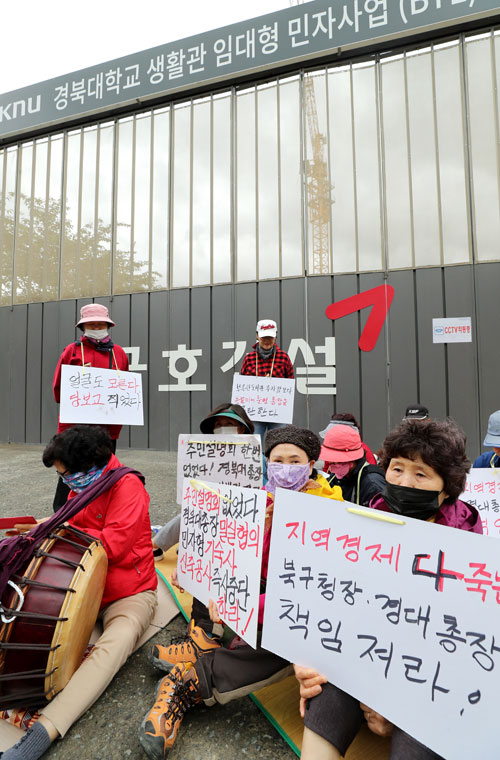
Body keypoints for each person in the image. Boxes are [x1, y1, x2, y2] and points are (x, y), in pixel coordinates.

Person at [139, 425, 343, 760]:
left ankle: (188, 683)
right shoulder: (257, 497)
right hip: (253, 590)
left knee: (290, 642)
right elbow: (225, 547)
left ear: (311, 466)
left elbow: (305, 590)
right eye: (278, 460)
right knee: (213, 571)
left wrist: (247, 606)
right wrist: (193, 568)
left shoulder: (328, 511)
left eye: (296, 461)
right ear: (267, 463)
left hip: (286, 602)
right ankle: (200, 641)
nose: (285, 467)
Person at [294, 418, 481, 760]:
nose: (404, 481)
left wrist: (395, 703)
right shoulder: (365, 524)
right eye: (397, 469)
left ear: (446, 489)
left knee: (426, 733)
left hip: (431, 687)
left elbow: (464, 661)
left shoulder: (470, 554)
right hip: (367, 661)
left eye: (421, 474)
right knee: (326, 689)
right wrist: (308, 662)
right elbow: (334, 603)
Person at [2, 426, 157, 760]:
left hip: (128, 592)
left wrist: (63, 527)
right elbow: (70, 519)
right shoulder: (85, 484)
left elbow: (111, 545)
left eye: (67, 475)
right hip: (80, 590)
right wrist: (44, 525)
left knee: (113, 647)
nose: (66, 483)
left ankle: (43, 733)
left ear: (92, 467)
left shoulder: (127, 486)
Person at [149, 402, 256, 664]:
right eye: (218, 426)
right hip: (213, 538)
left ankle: (207, 637)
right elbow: (196, 516)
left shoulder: (260, 464)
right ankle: (202, 634)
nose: (224, 431)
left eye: (231, 425)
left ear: (245, 431)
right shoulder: (202, 463)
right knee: (200, 548)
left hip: (247, 540)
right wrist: (189, 561)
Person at [52, 303, 129, 511]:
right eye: (91, 325)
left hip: (107, 427)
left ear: (108, 325)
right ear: (83, 328)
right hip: (75, 426)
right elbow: (58, 387)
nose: (96, 328)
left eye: (100, 324)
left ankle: (99, 512)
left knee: (104, 471)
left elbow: (124, 388)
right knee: (71, 471)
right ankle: (62, 513)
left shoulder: (119, 354)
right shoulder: (72, 351)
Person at [239, 319, 294, 440]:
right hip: (255, 412)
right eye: (264, 337)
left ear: (275, 337)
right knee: (254, 444)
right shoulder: (249, 358)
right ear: (257, 336)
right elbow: (242, 385)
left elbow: (290, 383)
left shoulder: (284, 357)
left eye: (270, 337)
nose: (267, 340)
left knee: (279, 444)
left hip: (277, 413)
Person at [319, 424, 385, 506]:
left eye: (336, 461)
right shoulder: (336, 478)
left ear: (352, 459)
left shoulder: (372, 484)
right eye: (330, 462)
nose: (332, 468)